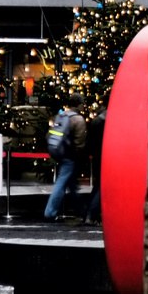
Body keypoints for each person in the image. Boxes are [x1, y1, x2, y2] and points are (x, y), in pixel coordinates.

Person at [43, 93, 87, 222]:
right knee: (62, 183)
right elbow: (79, 142)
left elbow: (49, 135)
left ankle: (82, 210)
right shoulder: (78, 120)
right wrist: (79, 156)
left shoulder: (61, 116)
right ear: (79, 104)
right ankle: (50, 212)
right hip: (70, 156)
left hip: (59, 152)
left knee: (72, 185)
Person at [82, 104, 107, 225]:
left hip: (97, 156)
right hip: (107, 156)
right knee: (102, 187)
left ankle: (88, 213)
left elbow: (90, 141)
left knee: (97, 185)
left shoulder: (96, 120)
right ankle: (91, 215)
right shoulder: (109, 121)